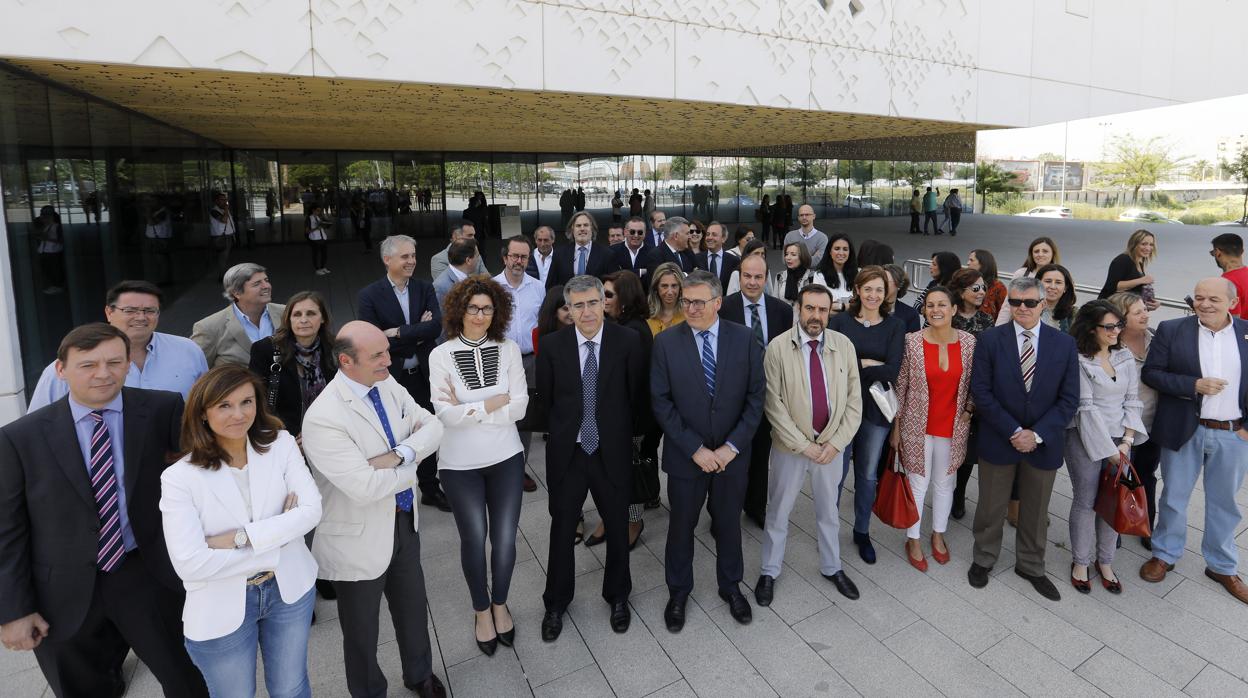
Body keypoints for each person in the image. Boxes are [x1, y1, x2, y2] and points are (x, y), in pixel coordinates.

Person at [0, 323, 209, 698]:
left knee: (188, 680)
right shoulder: (19, 438)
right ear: (60, 370)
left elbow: (202, 479)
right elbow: (8, 531)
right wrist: (13, 610)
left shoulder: (163, 409)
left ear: (129, 364)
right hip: (60, 593)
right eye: (87, 364)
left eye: (114, 362)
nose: (103, 373)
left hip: (147, 574)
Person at [300, 321, 447, 697]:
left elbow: (430, 424)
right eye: (378, 355)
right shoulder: (323, 418)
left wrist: (399, 455)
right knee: (362, 632)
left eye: (387, 350)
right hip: (357, 538)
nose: (388, 360)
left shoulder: (386, 383)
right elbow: (364, 488)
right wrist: (411, 470)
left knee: (414, 611)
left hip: (403, 522)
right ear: (346, 361)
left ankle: (420, 676)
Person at [160, 365, 322, 697]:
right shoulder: (179, 478)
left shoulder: (280, 443)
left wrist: (240, 539)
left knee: (291, 688)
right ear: (203, 413)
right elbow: (190, 563)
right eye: (224, 405)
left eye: (247, 402)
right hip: (221, 606)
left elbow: (312, 511)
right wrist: (280, 535)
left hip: (289, 591)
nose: (239, 414)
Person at [652, 270, 765, 632]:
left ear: (718, 302)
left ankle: (731, 586)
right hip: (688, 458)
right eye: (687, 301)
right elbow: (661, 402)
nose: (692, 307)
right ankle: (678, 592)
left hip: (732, 457)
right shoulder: (666, 343)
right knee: (681, 526)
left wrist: (731, 447)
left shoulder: (745, 339)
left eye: (700, 301)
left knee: (729, 524)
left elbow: (755, 399)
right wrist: (696, 449)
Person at [538, 275, 645, 641]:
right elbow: (548, 402)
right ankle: (555, 602)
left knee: (617, 526)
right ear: (568, 308)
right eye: (577, 305)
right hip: (568, 454)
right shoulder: (552, 346)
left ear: (604, 303)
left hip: (609, 451)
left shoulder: (628, 341)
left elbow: (635, 397)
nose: (586, 312)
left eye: (592, 303)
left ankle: (618, 596)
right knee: (563, 528)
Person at [427, 276, 528, 656]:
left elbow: (519, 407)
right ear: (459, 311)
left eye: (487, 308)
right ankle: (481, 610)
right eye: (473, 308)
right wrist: (492, 402)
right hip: (458, 465)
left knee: (504, 539)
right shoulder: (440, 355)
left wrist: (468, 408)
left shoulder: (509, 349)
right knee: (474, 539)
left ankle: (500, 604)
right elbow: (444, 416)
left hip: (506, 458)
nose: (480, 315)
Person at [968, 276, 1079, 600]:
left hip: (1043, 444)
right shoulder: (990, 340)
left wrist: (1037, 434)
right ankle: (983, 558)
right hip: (999, 439)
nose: (1022, 308)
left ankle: (1031, 565)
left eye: (1030, 302)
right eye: (1015, 302)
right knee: (990, 506)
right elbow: (982, 392)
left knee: (1035, 509)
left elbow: (1069, 399)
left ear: (1043, 304)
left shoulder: (1064, 344)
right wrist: (1015, 431)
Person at [1139, 278, 1248, 606]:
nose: (1204, 304)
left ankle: (1221, 565)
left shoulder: (1246, 333)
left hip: (1233, 434)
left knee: (1224, 502)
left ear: (1232, 301)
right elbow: (1151, 374)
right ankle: (1165, 554)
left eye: (1213, 299)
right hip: (1185, 429)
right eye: (1199, 298)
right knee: (1174, 496)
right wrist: (1193, 384)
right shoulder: (1172, 329)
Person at [755, 283, 862, 607]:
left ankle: (832, 567)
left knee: (828, 511)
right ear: (798, 309)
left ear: (830, 312)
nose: (816, 316)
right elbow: (773, 405)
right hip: (791, 449)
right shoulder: (777, 348)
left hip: (831, 448)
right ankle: (769, 571)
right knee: (778, 510)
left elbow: (854, 402)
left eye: (822, 309)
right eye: (810, 308)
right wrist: (804, 446)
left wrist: (835, 444)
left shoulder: (843, 345)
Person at [358, 235, 450, 512]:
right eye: (405, 256)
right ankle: (397, 492)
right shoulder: (370, 295)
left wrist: (398, 331)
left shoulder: (424, 288)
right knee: (395, 436)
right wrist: (415, 332)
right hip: (391, 379)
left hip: (423, 376)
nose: (412, 261)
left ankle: (430, 489)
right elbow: (373, 340)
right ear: (388, 260)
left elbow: (436, 327)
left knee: (428, 430)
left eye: (413, 256)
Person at [891, 287, 976, 571]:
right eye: (930, 305)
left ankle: (938, 534)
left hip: (953, 426)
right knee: (917, 483)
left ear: (953, 309)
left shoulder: (969, 343)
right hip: (917, 426)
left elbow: (978, 382)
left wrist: (969, 409)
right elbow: (900, 386)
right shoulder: (911, 342)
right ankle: (913, 538)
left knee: (944, 483)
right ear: (924, 310)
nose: (936, 310)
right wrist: (896, 426)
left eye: (942, 304)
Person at [1065, 301, 1145, 595]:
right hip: (1084, 438)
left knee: (1115, 499)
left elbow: (1133, 400)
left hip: (1122, 440)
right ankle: (1080, 562)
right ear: (1091, 328)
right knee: (1086, 501)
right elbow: (1085, 409)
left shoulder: (1124, 355)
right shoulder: (1078, 360)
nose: (1115, 331)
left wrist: (1126, 441)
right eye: (1108, 327)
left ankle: (1106, 561)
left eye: (1118, 325)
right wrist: (1111, 452)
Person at [29, 280, 208, 410]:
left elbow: (206, 405)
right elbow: (38, 424)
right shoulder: (70, 365)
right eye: (130, 310)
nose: (141, 317)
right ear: (109, 312)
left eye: (149, 311)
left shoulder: (187, 350)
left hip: (178, 454)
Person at [828, 267, 905, 563]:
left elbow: (892, 370)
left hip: (875, 412)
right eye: (868, 288)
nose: (874, 295)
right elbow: (831, 365)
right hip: (842, 409)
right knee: (836, 474)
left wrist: (857, 363)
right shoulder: (840, 322)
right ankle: (829, 528)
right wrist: (872, 362)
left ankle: (862, 531)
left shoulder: (895, 326)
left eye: (880, 290)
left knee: (868, 475)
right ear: (857, 290)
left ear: (887, 294)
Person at [721, 253, 793, 528]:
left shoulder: (782, 311)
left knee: (762, 455)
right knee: (731, 456)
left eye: (758, 277)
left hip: (767, 395)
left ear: (766, 278)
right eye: (747, 276)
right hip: (732, 398)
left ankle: (756, 507)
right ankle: (724, 512)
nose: (752, 282)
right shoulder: (724, 308)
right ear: (739, 277)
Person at [591, 270, 652, 545]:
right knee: (608, 472)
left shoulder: (634, 331)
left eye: (609, 295)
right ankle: (610, 515)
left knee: (628, 470)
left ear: (625, 299)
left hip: (631, 419)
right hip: (608, 416)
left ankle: (633, 521)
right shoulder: (612, 325)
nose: (603, 300)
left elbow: (636, 384)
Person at [1107, 291, 1160, 549]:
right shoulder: (1111, 348)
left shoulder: (1157, 339)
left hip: (1152, 424)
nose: (1145, 315)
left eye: (1145, 310)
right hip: (1122, 427)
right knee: (1121, 477)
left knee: (1147, 475)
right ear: (1121, 318)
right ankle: (1114, 526)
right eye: (1137, 312)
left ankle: (1145, 523)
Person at [248, 291, 337, 443]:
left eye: (311, 313)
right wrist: (290, 436)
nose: (304, 320)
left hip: (327, 432)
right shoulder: (265, 350)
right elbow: (256, 398)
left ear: (322, 318)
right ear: (288, 319)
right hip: (283, 435)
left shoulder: (333, 349)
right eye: (297, 314)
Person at [494, 236, 545, 493]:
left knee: (525, 417)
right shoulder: (491, 288)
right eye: (514, 256)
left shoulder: (537, 288)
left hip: (529, 361)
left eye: (524, 257)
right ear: (505, 257)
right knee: (499, 415)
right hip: (499, 361)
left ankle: (519, 469)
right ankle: (499, 467)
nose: (519, 261)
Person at [947, 269, 993, 519]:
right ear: (961, 291)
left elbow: (988, 360)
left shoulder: (987, 320)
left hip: (973, 392)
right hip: (945, 389)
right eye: (975, 288)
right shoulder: (946, 314)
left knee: (966, 450)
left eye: (983, 287)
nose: (981, 292)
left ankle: (958, 493)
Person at [192, 262, 285, 368]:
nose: (266, 286)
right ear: (237, 293)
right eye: (257, 283)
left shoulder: (287, 313)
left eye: (266, 280)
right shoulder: (209, 327)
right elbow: (195, 370)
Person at [547, 212, 621, 288]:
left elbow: (614, 285)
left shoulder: (607, 255)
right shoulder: (559, 254)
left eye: (586, 225)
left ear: (592, 228)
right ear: (572, 229)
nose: (582, 229)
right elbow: (551, 286)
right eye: (578, 226)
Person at [996, 237, 1060, 325]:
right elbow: (1007, 305)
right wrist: (999, 328)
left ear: (1053, 253)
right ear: (1031, 254)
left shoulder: (1059, 275)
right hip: (1021, 323)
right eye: (1036, 251)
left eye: (1045, 251)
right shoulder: (1021, 274)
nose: (1040, 254)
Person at [1098, 229, 1159, 310]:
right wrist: (1142, 280)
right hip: (1110, 311)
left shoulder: (1140, 261)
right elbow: (1112, 286)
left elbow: (1133, 291)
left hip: (1125, 310)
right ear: (1134, 244)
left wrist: (1152, 303)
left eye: (1151, 244)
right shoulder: (1123, 259)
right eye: (1144, 244)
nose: (1148, 248)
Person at [768, 241, 826, 306]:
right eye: (786, 254)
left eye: (793, 254)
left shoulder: (812, 277)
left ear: (802, 257)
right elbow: (775, 302)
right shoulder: (780, 276)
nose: (788, 258)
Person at [1210, 233, 1248, 320]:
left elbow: (1232, 321)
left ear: (1218, 253)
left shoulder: (1227, 282)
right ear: (1242, 251)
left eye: (1213, 253)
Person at [818, 232, 857, 312]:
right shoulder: (819, 276)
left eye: (845, 249)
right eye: (837, 249)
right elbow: (822, 308)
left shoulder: (859, 273)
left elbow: (863, 305)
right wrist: (851, 306)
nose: (841, 253)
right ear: (830, 251)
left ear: (850, 252)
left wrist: (840, 306)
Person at [432, 238, 480, 303]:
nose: (478, 260)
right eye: (477, 256)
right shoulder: (441, 286)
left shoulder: (469, 278)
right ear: (468, 260)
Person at [697, 220, 740, 290]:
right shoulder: (696, 259)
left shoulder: (734, 261)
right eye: (708, 234)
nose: (709, 237)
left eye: (714, 234)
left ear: (723, 238)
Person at [646, 262, 686, 336]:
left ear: (680, 288)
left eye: (674, 286)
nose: (670, 292)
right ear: (656, 288)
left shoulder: (688, 315)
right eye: (664, 286)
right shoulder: (646, 316)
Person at [1036, 263, 1078, 333]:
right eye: (1048, 281)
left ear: (1065, 288)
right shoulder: (1025, 308)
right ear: (1038, 284)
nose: (1052, 286)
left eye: (1058, 282)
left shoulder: (1074, 315)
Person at [33, 204, 65, 293]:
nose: (43, 219)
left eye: (45, 217)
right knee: (48, 269)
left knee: (54, 269)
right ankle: (54, 284)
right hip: (46, 250)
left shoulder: (56, 226)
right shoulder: (45, 226)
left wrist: (48, 238)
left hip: (54, 251)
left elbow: (60, 240)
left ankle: (57, 285)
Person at [968, 249, 1007, 318]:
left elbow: (1004, 313)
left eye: (971, 260)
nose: (968, 263)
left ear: (982, 263)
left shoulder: (998, 287)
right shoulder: (966, 282)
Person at [884, 263, 922, 333]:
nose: (882, 285)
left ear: (898, 285)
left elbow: (913, 342)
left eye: (886, 282)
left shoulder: (911, 314)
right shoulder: (868, 307)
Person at [209, 191, 237, 273]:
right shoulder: (214, 211)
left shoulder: (224, 210)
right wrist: (226, 209)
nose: (224, 202)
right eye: (222, 200)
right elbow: (224, 220)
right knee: (222, 257)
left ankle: (225, 273)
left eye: (225, 200)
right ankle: (222, 275)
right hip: (221, 237)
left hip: (228, 235)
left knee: (225, 257)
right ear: (216, 201)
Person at [306, 203, 331, 275]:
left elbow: (325, 224)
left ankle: (322, 267)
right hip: (315, 239)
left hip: (323, 238)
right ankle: (317, 269)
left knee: (324, 254)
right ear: (313, 210)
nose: (319, 212)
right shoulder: (309, 218)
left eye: (320, 211)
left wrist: (325, 224)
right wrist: (316, 228)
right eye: (317, 210)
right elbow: (307, 231)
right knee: (316, 255)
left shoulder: (318, 217)